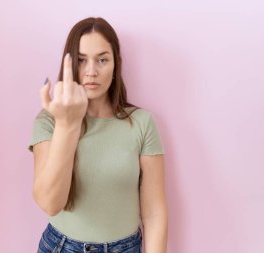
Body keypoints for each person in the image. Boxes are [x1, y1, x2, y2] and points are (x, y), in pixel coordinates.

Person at [28, 17, 168, 253]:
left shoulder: (142, 122)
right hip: (61, 247)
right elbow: (51, 203)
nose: (91, 71)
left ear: (116, 65)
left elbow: (154, 213)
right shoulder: (49, 122)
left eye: (102, 59)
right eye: (82, 60)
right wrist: (67, 124)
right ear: (70, 65)